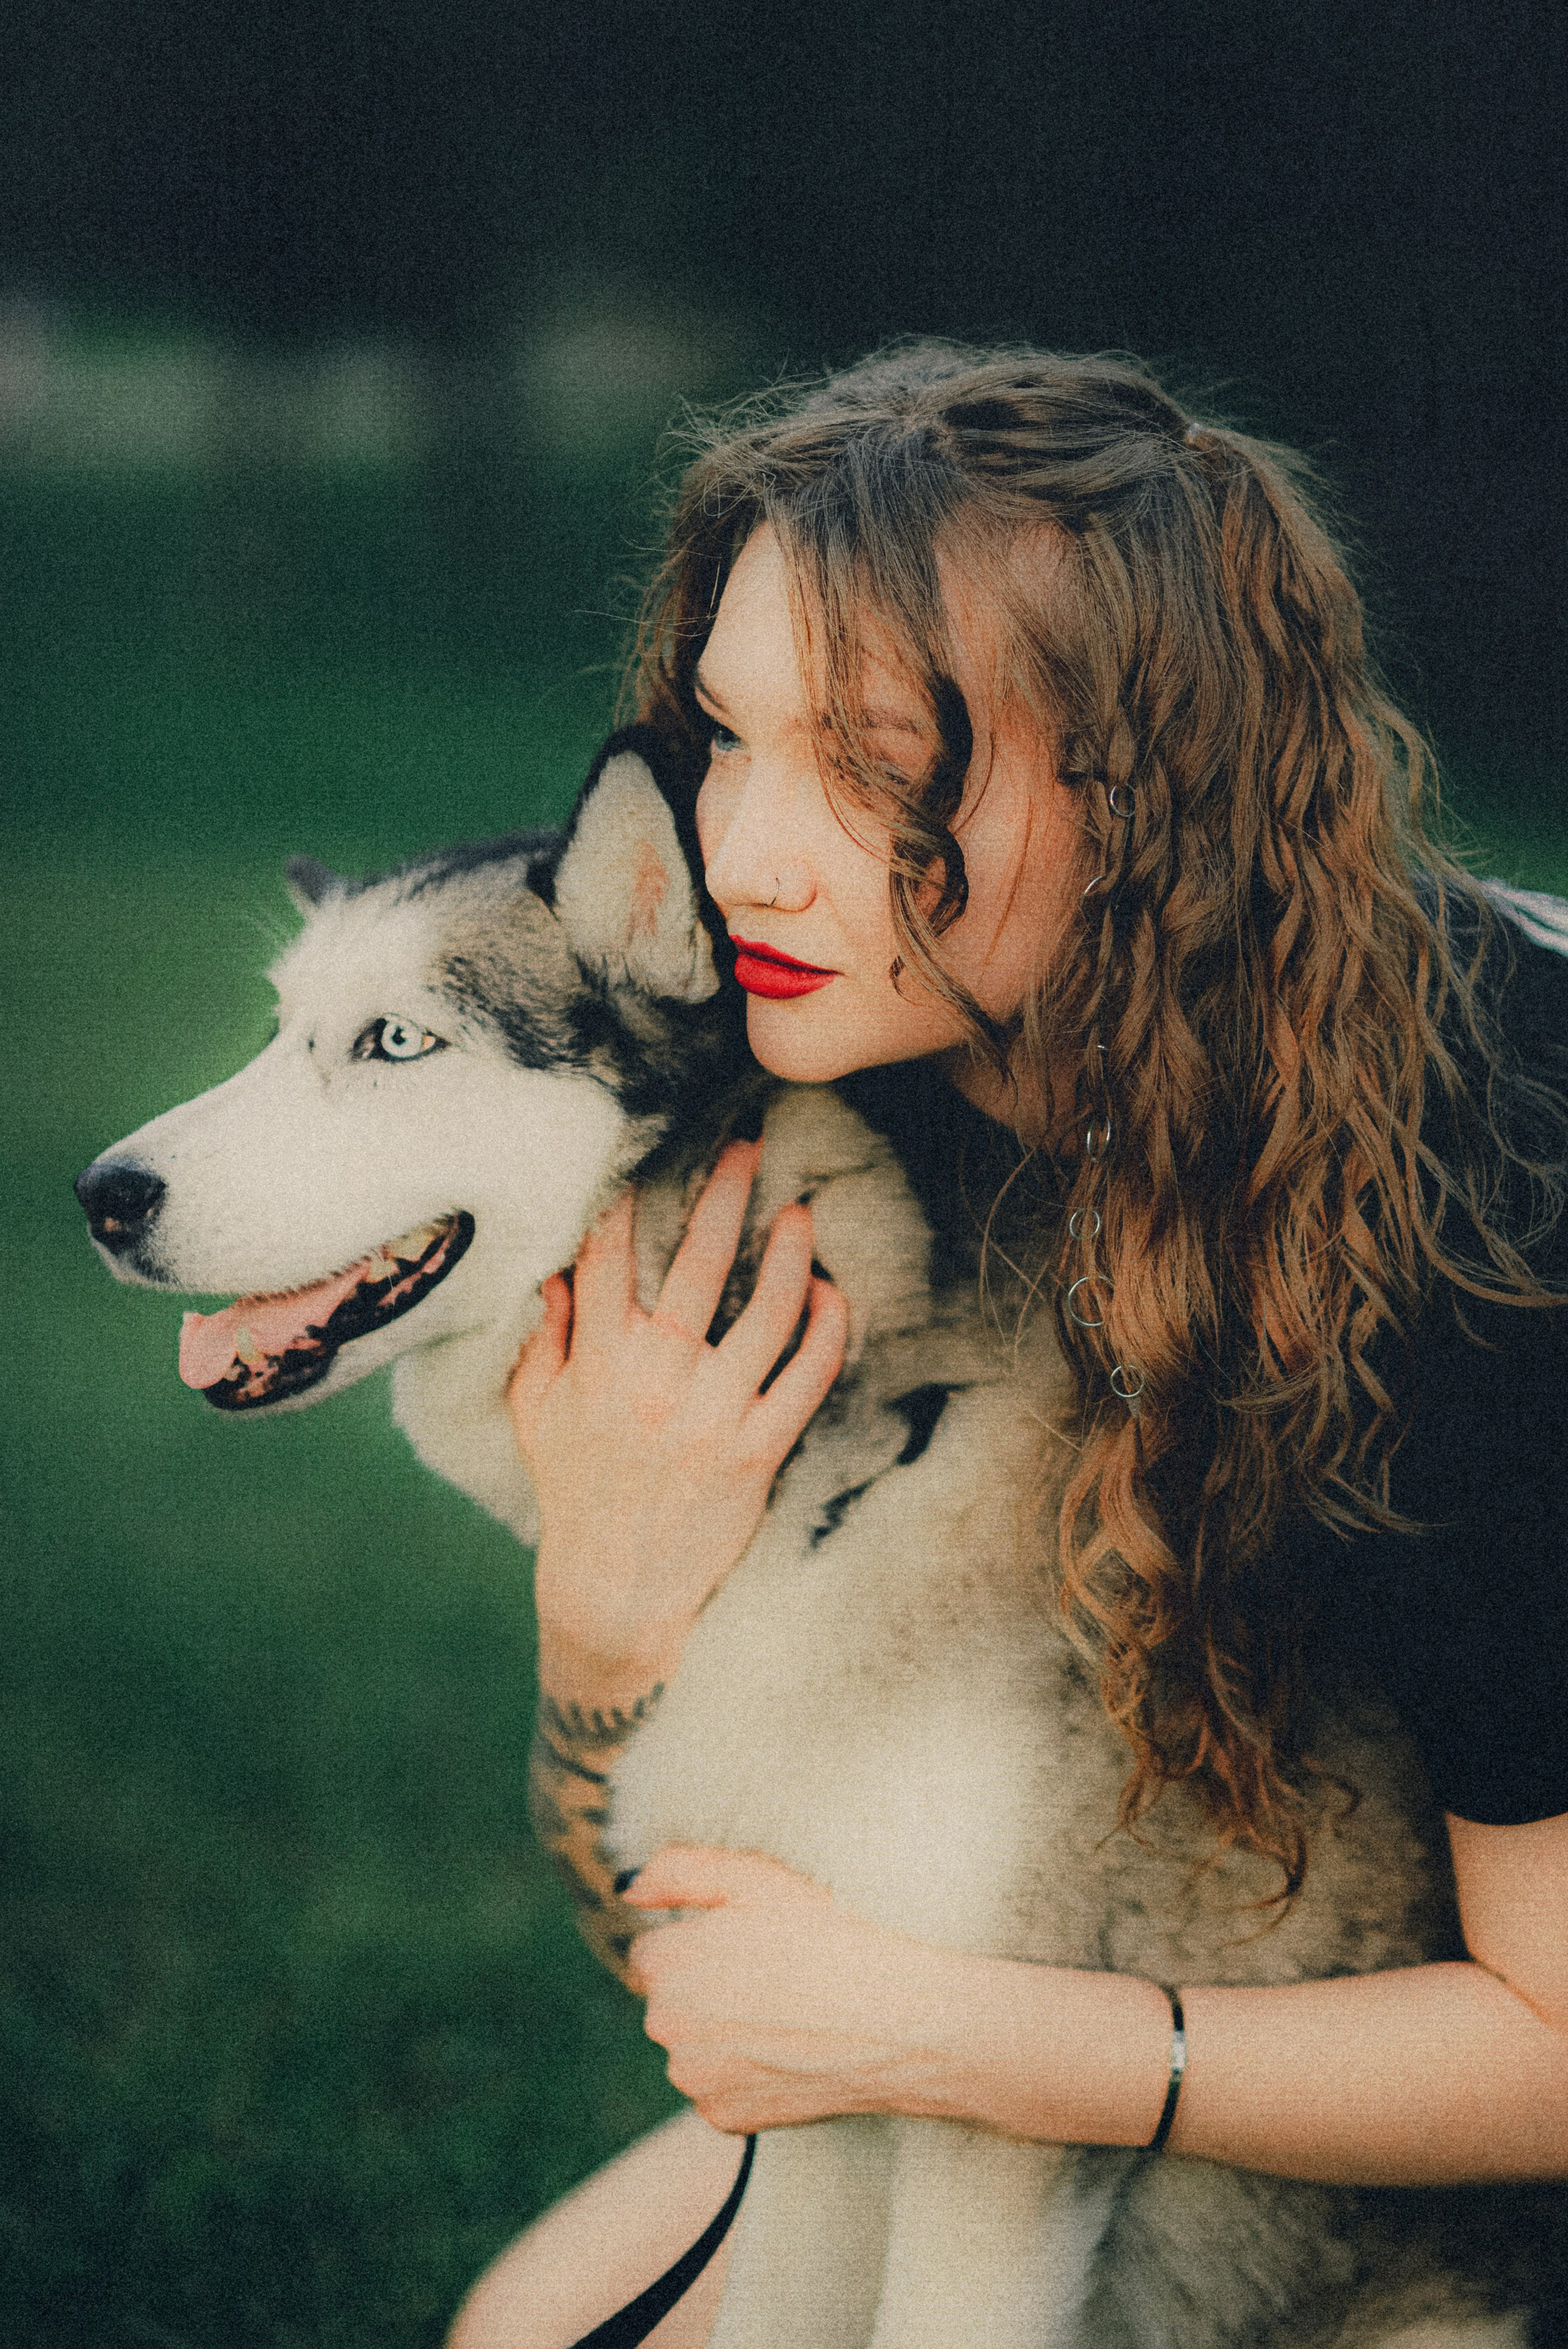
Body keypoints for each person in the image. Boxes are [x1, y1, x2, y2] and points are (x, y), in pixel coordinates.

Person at [448, 345, 1568, 2349]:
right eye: (724, 734)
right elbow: (719, 1963)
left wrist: (975, 2039)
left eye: (874, 760)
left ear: (1144, 794)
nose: (746, 853)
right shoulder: (858, 1097)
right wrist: (601, 1631)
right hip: (1199, 1937)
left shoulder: (1483, 1222)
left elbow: (1557, 2055)